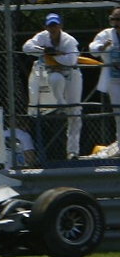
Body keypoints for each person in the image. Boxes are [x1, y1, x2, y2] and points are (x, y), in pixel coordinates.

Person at [22, 12, 82, 159]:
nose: (53, 29)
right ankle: (60, 103)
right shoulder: (42, 37)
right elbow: (26, 47)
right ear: (46, 27)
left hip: (71, 75)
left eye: (55, 25)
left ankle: (72, 151)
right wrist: (45, 51)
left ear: (60, 26)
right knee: (55, 79)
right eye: (50, 26)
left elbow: (71, 60)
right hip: (53, 74)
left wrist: (53, 55)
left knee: (74, 111)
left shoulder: (69, 40)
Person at [89, 8, 120, 146]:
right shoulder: (106, 34)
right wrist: (103, 46)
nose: (116, 23)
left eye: (118, 20)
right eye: (114, 20)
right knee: (118, 111)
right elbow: (93, 50)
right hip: (113, 79)